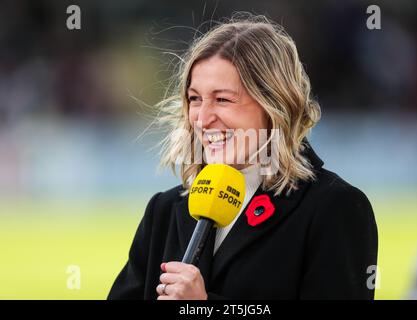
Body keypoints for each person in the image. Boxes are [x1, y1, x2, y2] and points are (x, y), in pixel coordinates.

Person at [108, 14, 378, 300]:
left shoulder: (334, 208)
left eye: (222, 99)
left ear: (274, 103)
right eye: (195, 99)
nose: (203, 118)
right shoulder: (163, 211)